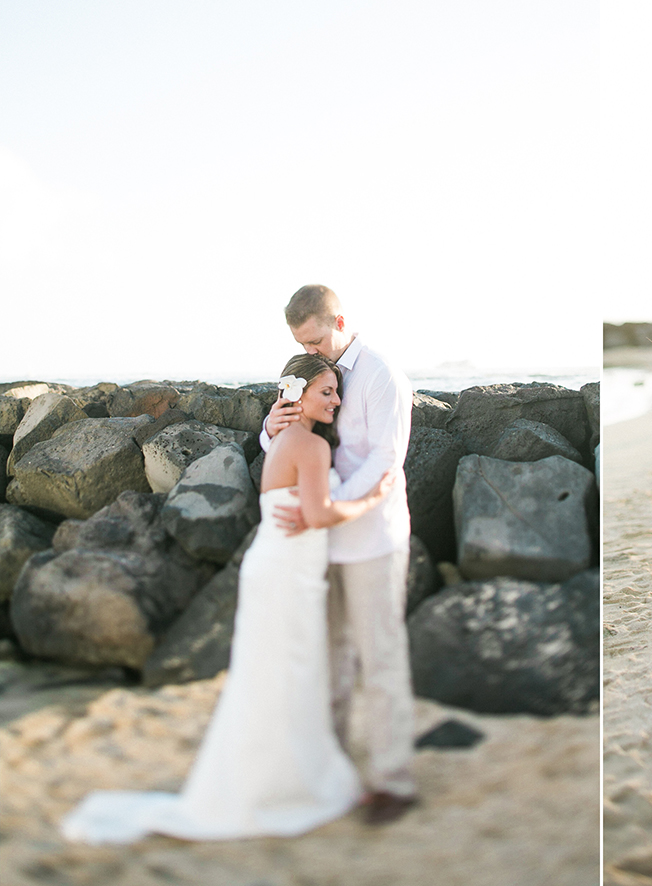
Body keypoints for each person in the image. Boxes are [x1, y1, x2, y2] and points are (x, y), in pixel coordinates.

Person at [61, 354, 395, 842]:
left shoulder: (285, 439)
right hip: (286, 574)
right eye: (327, 392)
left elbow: (300, 508)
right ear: (298, 394)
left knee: (278, 677)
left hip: (278, 569)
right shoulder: (310, 447)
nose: (337, 401)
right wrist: (374, 496)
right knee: (291, 675)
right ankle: (287, 786)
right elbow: (320, 516)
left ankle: (290, 779)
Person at [262, 284, 417, 825]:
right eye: (303, 344)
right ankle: (330, 773)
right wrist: (269, 428)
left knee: (380, 659)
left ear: (340, 320)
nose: (313, 352)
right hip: (318, 542)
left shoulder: (381, 374)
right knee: (329, 660)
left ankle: (393, 782)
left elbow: (385, 460)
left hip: (372, 538)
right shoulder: (309, 369)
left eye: (318, 339)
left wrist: (325, 507)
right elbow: (287, 434)